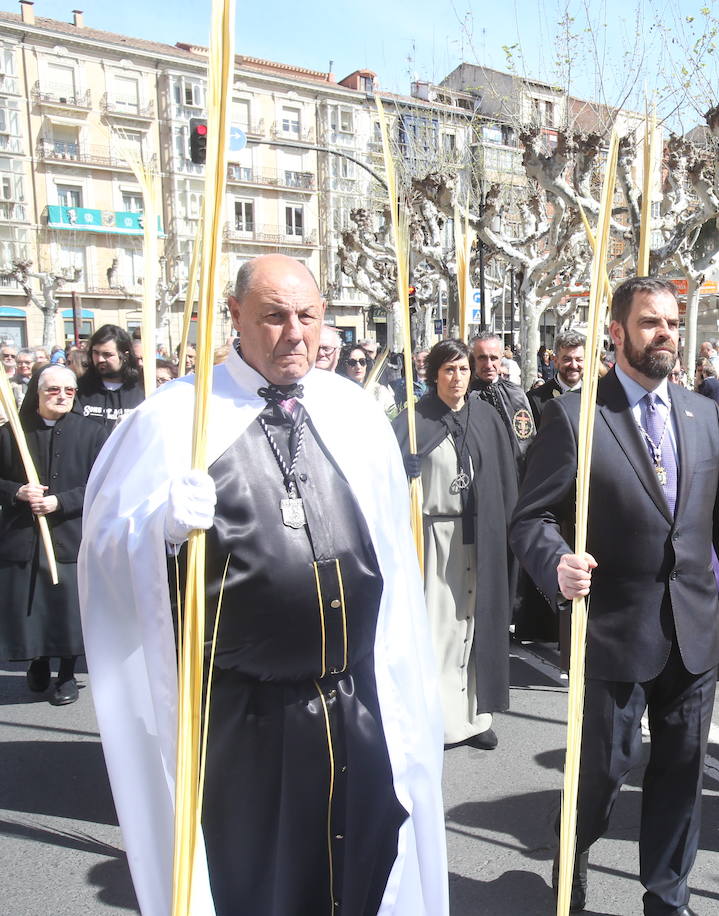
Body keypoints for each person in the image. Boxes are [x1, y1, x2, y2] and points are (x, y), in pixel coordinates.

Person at [78, 254, 446, 915]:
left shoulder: (352, 412)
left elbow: (392, 548)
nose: (295, 333)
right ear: (235, 318)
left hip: (355, 702)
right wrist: (157, 525)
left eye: (308, 316)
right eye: (274, 317)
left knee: (364, 872)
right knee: (263, 888)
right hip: (247, 725)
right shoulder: (175, 419)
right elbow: (103, 554)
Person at [510, 276, 719, 915]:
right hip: (613, 631)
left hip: (695, 629)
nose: (667, 336)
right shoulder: (575, 417)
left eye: (673, 324)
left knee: (681, 772)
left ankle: (666, 895)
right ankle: (575, 854)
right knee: (604, 771)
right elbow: (530, 519)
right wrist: (557, 564)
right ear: (617, 333)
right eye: (651, 323)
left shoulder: (703, 414)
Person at [394, 339, 516, 750]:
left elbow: (504, 478)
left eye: (463, 369)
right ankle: (438, 720)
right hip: (433, 538)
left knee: (475, 624)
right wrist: (402, 470)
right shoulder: (415, 420)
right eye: (448, 370)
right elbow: (385, 479)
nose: (457, 378)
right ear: (434, 374)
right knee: (439, 628)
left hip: (480, 534)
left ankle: (475, 717)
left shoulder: (485, 416)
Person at [1, 365, 106, 706]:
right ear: (38, 393)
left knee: (67, 610)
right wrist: (18, 492)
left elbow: (101, 484)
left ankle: (65, 675)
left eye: (68, 391)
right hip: (23, 538)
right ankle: (38, 660)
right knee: (33, 608)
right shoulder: (11, 434)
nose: (61, 396)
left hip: (71, 534)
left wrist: (60, 501)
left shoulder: (93, 433)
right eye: (53, 390)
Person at [470, 330, 536, 464]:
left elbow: (527, 443)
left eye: (493, 358)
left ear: (501, 358)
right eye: (482, 357)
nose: (488, 365)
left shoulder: (516, 394)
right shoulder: (464, 395)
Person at [74, 324, 145, 430]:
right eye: (96, 353)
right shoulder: (80, 389)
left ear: (125, 355)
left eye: (107, 354)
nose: (100, 359)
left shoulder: (142, 388)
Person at [528, 331, 585, 426]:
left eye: (579, 360)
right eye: (567, 359)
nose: (574, 365)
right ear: (555, 361)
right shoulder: (535, 399)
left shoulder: (597, 397)